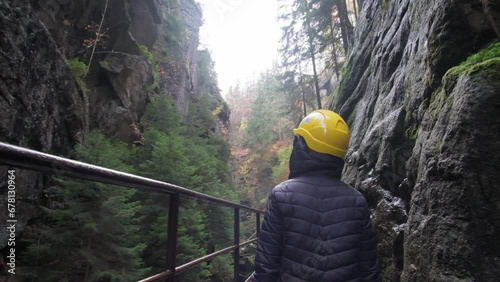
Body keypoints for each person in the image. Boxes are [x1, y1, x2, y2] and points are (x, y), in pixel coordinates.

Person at [249, 109, 378, 282]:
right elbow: (368, 270)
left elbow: (266, 270)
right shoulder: (357, 201)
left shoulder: (281, 196)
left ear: (302, 147)